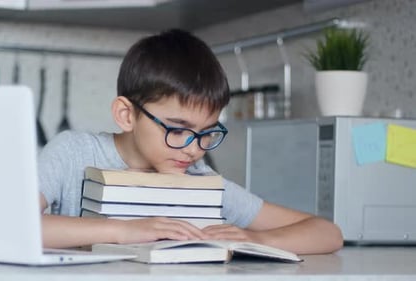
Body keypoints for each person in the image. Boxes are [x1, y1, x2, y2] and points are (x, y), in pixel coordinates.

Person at [38, 29, 343, 254]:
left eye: (206, 132)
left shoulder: (203, 183)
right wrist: (122, 230)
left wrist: (257, 239)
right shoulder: (73, 153)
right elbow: (7, 224)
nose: (194, 149)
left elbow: (327, 233)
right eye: (178, 129)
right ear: (126, 115)